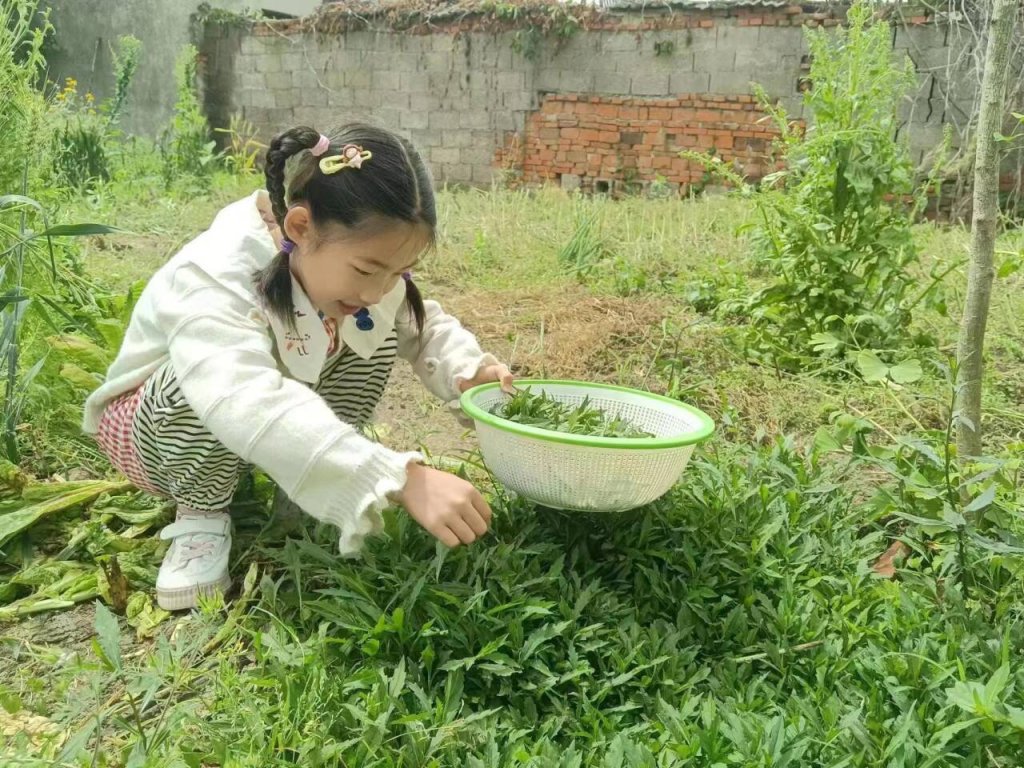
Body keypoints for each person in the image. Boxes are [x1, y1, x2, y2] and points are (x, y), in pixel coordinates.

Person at [83, 123, 514, 611]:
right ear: (301, 227)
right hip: (160, 435)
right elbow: (238, 397)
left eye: (398, 272)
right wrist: (398, 478)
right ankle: (201, 516)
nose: (377, 289)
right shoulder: (214, 272)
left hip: (254, 427)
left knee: (374, 331)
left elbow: (421, 323)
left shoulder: (357, 274)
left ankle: (303, 492)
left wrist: (467, 372)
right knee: (200, 378)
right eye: (367, 270)